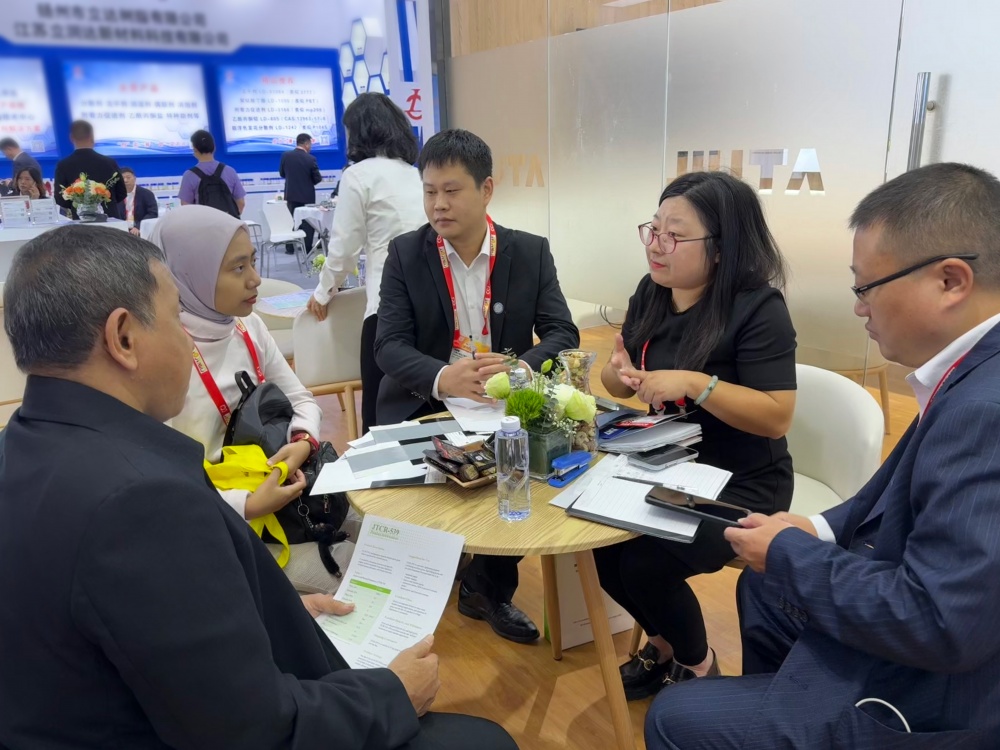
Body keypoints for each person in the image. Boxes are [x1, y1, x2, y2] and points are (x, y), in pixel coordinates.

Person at [0, 224, 519, 750]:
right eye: (176, 317)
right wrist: (393, 696)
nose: (188, 337)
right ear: (124, 338)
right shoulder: (141, 502)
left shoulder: (21, 448)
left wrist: (268, 614)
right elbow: (252, 729)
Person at [645, 163, 1000, 750]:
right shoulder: (969, 371)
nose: (860, 308)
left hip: (943, 694)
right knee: (762, 589)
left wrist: (790, 550)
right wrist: (814, 529)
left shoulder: (984, 411)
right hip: (915, 601)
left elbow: (940, 622)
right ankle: (776, 712)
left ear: (950, 281)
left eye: (867, 287)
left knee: (673, 716)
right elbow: (887, 496)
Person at [595, 170, 796, 700]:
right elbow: (619, 381)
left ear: (722, 248)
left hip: (743, 480)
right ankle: (662, 646)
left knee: (646, 562)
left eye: (674, 235)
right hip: (669, 464)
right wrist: (620, 374)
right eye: (653, 229)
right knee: (602, 550)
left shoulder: (758, 308)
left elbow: (777, 415)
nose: (655, 246)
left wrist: (696, 383)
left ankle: (699, 667)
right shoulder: (653, 292)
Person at [375, 128, 580, 644]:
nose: (438, 205)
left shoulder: (529, 252)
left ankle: (486, 588)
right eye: (429, 192)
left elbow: (562, 332)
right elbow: (388, 345)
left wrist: (520, 370)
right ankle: (429, 568)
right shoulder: (405, 254)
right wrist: (443, 376)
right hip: (427, 402)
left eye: (451, 190)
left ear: (486, 189)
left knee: (526, 468)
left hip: (502, 405)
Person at [150, 204, 354, 593]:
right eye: (238, 268)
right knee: (353, 565)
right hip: (219, 522)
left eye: (253, 262)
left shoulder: (247, 326)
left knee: (378, 530)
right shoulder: (163, 355)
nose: (255, 279)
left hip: (281, 488)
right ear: (189, 275)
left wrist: (301, 443)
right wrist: (248, 505)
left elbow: (302, 399)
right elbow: (165, 483)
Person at [307, 92, 426, 435]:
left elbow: (344, 249)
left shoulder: (358, 176)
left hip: (387, 307)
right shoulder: (416, 174)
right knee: (423, 406)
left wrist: (323, 293)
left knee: (378, 411)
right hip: (432, 302)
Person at [53, 120, 127, 219]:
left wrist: (78, 204)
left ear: (71, 138)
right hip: (110, 220)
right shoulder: (109, 163)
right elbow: (121, 193)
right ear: (92, 137)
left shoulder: (63, 165)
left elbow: (60, 199)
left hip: (81, 221)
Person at [178, 130, 245, 217]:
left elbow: (186, 206)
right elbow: (241, 203)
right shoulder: (230, 171)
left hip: (203, 223)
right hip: (228, 222)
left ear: (195, 150)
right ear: (214, 147)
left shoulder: (189, 175)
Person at [280, 132, 323, 253]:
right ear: (306, 144)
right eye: (310, 144)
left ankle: (289, 248)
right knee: (308, 222)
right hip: (307, 196)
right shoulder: (311, 159)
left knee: (291, 221)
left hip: (291, 194)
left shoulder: (286, 156)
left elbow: (282, 173)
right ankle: (307, 248)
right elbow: (317, 178)